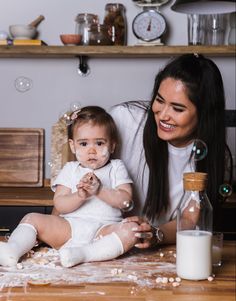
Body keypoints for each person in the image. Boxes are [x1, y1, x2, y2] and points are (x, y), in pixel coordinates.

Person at [108, 53, 232, 248]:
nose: (163, 115)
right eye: (159, 100)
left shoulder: (214, 157)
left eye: (177, 108)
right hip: (105, 239)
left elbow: (190, 220)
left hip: (158, 251)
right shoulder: (125, 120)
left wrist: (155, 234)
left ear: (204, 114)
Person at [0, 106, 139, 268]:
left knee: (133, 230)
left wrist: (99, 190)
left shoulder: (116, 167)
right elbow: (60, 204)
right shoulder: (71, 169)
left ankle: (84, 254)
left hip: (104, 231)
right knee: (32, 217)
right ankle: (12, 250)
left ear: (113, 146)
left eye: (100, 143)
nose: (92, 150)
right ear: (73, 147)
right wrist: (79, 196)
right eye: (84, 143)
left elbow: (125, 200)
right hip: (69, 228)